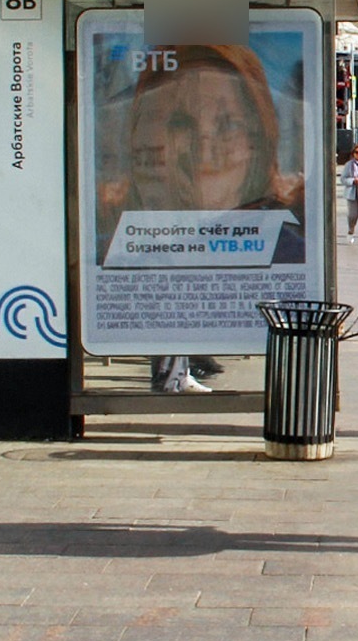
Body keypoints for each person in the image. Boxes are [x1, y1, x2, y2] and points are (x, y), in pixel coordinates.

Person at [113, 43, 304, 394]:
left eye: (228, 124)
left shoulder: (287, 252)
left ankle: (183, 369)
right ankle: (178, 372)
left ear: (257, 141)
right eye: (180, 123)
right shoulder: (131, 247)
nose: (203, 143)